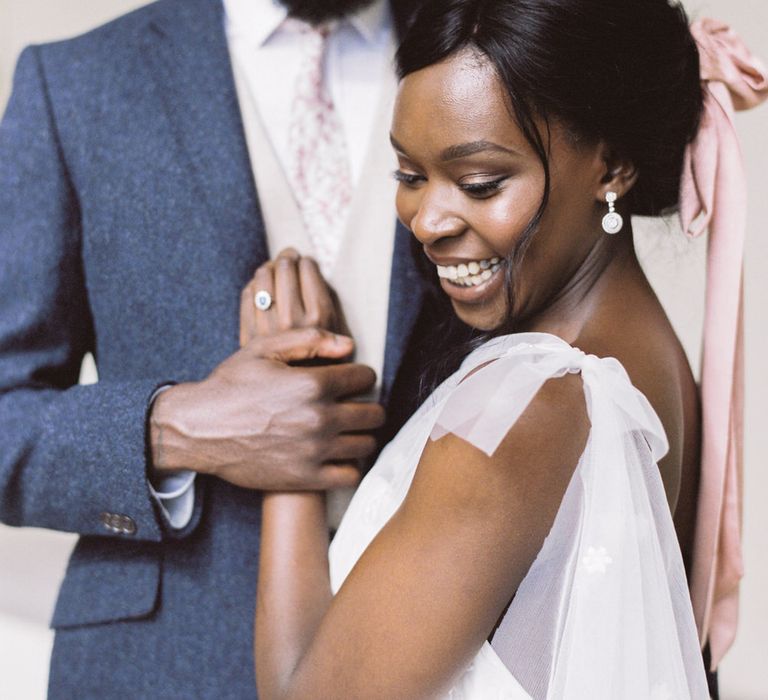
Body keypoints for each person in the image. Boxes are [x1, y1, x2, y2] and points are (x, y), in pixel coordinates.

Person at [245, 1, 766, 698]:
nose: (428, 220)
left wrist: (289, 426)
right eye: (409, 174)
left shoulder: (526, 402)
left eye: (480, 183)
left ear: (611, 164)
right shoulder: (647, 353)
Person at [0, 0, 438, 697]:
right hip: (160, 669)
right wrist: (176, 428)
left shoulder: (482, 43)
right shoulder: (78, 81)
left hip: (441, 649)